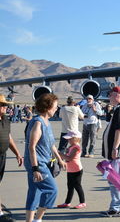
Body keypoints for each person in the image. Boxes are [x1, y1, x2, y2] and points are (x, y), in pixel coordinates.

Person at [24, 93, 66, 222]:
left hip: (43, 161)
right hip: (37, 163)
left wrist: (59, 159)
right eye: (55, 106)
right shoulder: (38, 123)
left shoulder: (47, 122)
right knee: (52, 190)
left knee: (35, 191)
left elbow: (51, 144)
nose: (56, 109)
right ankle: (38, 219)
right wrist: (35, 168)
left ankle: (29, 220)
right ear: (47, 107)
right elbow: (32, 147)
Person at [101, 86, 120, 217]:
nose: (109, 98)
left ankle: (116, 207)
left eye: (110, 95)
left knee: (115, 178)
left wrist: (115, 148)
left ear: (117, 95)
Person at [0, 94, 23, 218]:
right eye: (2, 105)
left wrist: (17, 153)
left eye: (5, 105)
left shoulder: (5, 120)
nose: (5, 107)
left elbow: (8, 138)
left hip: (2, 156)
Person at [57, 130, 86, 209]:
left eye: (70, 139)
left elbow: (69, 158)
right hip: (70, 169)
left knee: (77, 186)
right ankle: (67, 202)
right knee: (70, 186)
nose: (68, 140)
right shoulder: (71, 147)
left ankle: (82, 202)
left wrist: (60, 154)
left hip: (77, 170)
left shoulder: (76, 148)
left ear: (76, 139)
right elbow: (67, 158)